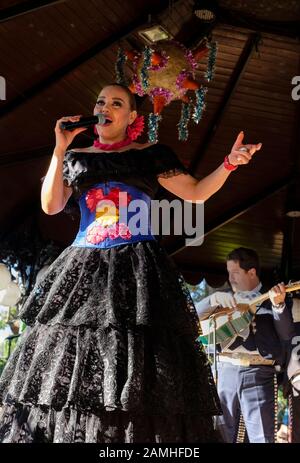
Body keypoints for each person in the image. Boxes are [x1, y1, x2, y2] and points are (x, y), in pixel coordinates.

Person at [0, 84, 261, 443]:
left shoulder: (150, 154)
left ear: (132, 117)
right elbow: (51, 206)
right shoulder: (77, 156)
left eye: (116, 103)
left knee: (138, 355)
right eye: (100, 101)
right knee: (74, 358)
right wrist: (60, 148)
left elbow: (197, 193)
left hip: (136, 267)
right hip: (83, 266)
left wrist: (230, 162)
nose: (105, 107)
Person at [195, 247, 294, 443]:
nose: (230, 278)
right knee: (220, 435)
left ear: (252, 272)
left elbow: (287, 333)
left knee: (262, 437)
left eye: (235, 273)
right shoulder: (222, 300)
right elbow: (191, 319)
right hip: (225, 372)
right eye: (229, 272)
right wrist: (211, 299)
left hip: (258, 373)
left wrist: (278, 305)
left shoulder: (271, 299)